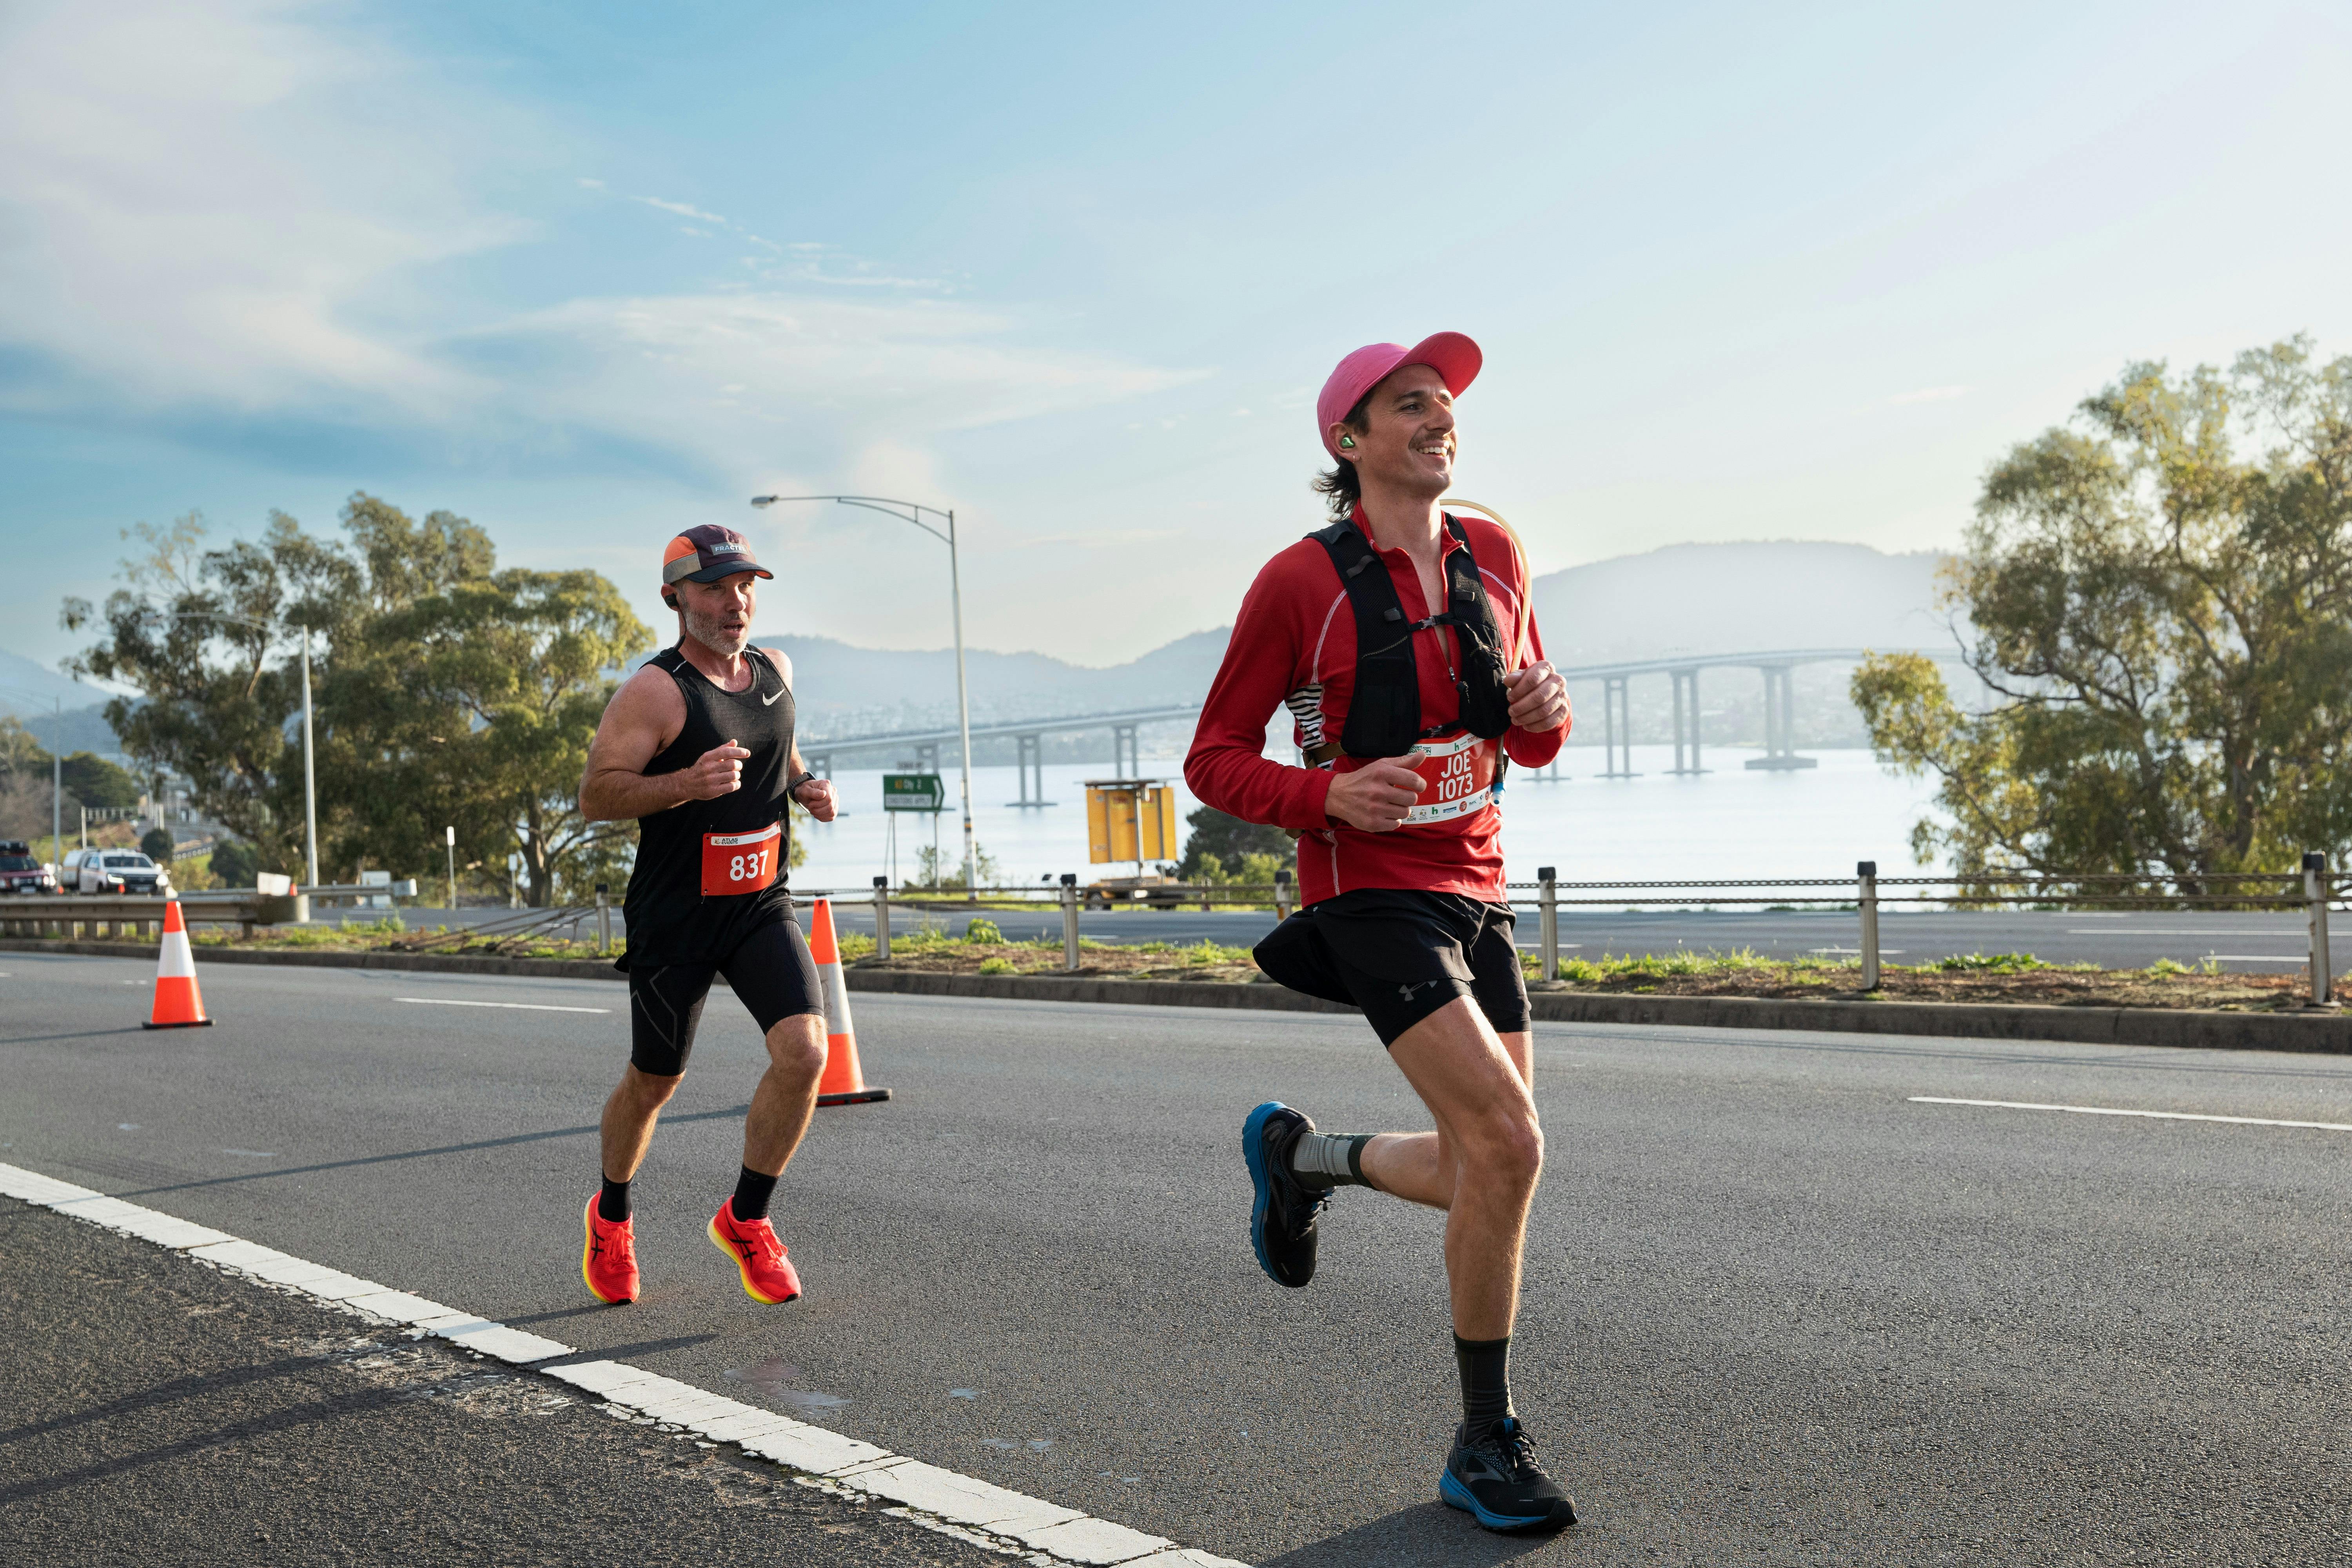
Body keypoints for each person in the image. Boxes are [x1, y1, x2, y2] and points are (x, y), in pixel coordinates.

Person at [1183, 333, 1577, 1533]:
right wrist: (1325, 796)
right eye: (1411, 404)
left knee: (1478, 1167)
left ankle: (1303, 1160)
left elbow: (1536, 734)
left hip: (1479, 889)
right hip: (1367, 896)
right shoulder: (1299, 583)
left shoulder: (1496, 550)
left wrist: (1545, 714)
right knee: (1513, 1144)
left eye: (1446, 402)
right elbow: (1214, 759)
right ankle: (1481, 1441)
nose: (1438, 417)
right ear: (1350, 443)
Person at [574, 523, 839, 1308]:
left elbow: (778, 747)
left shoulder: (776, 671)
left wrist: (804, 784)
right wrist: (682, 785)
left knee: (807, 1051)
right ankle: (612, 1214)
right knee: (656, 1080)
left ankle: (747, 1217)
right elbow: (597, 794)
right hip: (676, 915)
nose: (737, 600)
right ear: (676, 598)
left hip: (759, 901)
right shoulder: (655, 693)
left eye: (747, 584)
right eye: (718, 586)